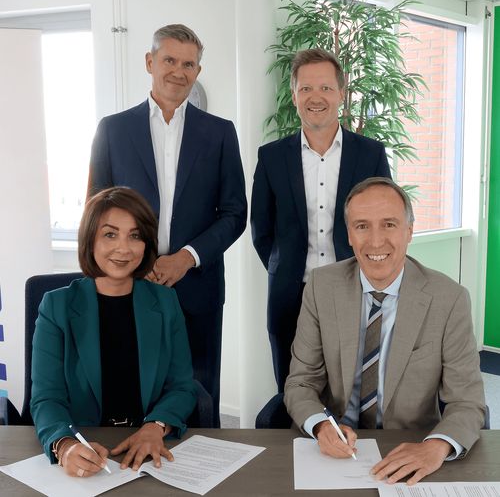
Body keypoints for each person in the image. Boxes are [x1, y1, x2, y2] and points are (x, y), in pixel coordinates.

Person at [87, 24, 247, 426]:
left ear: (197, 70)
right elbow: (96, 211)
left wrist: (186, 258)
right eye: (169, 60)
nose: (178, 71)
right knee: (132, 394)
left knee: (200, 400)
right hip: (129, 285)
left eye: (188, 64)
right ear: (150, 62)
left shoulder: (220, 133)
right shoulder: (113, 129)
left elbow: (234, 213)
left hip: (198, 290)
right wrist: (134, 262)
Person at [284, 177, 486, 485]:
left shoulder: (449, 299)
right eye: (362, 226)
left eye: (389, 224)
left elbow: (468, 401)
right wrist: (322, 426)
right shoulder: (321, 287)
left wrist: (436, 446)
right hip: (335, 450)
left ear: (409, 231)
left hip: (413, 446)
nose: (376, 241)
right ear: (349, 234)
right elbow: (301, 382)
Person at [251, 48, 391, 392]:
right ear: (294, 95)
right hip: (290, 295)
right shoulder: (271, 157)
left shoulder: (370, 154)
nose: (316, 97)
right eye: (306, 89)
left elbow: (386, 221)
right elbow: (261, 230)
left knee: (356, 391)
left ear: (341, 93)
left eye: (326, 88)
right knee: (292, 390)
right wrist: (284, 268)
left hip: (356, 290)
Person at [31, 187, 197, 477]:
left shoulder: (165, 302)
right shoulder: (57, 306)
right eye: (110, 234)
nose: (124, 248)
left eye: (135, 235)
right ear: (90, 240)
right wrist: (66, 445)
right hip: (86, 444)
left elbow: (181, 386)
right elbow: (47, 397)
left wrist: (156, 426)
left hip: (148, 449)